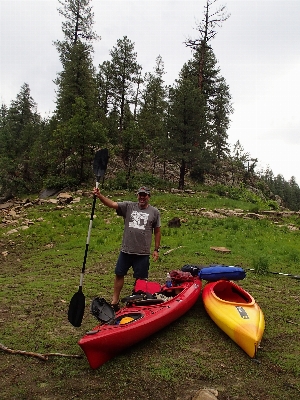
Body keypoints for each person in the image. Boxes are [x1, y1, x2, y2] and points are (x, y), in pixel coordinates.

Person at [93, 185, 161, 310]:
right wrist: (100, 196)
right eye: (140, 194)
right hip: (126, 250)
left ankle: (136, 301)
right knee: (119, 274)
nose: (142, 197)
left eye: (144, 195)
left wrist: (156, 249)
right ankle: (115, 301)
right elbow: (112, 204)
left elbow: (157, 231)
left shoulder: (154, 212)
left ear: (149, 197)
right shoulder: (128, 206)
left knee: (140, 279)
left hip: (143, 253)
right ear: (137, 196)